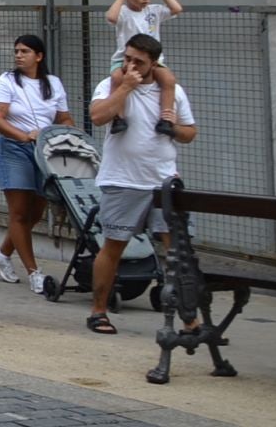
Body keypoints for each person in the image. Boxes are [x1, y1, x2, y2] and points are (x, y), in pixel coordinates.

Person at [85, 34, 197, 335]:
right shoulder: (112, 84)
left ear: (154, 64)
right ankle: (99, 311)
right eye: (128, 58)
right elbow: (97, 117)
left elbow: (189, 132)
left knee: (177, 249)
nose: (131, 65)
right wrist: (125, 87)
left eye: (139, 62)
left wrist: (172, 128)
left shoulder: (171, 91)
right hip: (122, 179)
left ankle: (189, 319)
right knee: (113, 245)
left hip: (163, 180)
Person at [0, 34, 73, 293]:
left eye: (25, 51)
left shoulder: (53, 83)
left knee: (36, 213)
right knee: (20, 212)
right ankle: (34, 271)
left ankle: (2, 255)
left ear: (39, 56)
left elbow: (66, 118)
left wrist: (57, 132)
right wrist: (23, 136)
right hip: (14, 149)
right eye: (17, 51)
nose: (19, 55)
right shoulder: (7, 81)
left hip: (44, 152)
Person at [104, 0, 181, 136]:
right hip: (125, 59)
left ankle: (166, 118)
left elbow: (176, 9)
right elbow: (111, 18)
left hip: (153, 59)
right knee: (117, 78)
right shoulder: (123, 13)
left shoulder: (153, 11)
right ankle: (118, 116)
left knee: (168, 79)